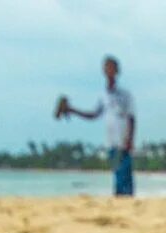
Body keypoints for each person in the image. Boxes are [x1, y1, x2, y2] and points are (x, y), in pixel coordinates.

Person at [57, 55, 136, 197]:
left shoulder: (125, 95)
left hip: (123, 141)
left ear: (117, 71)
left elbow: (131, 118)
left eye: (112, 68)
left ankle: (126, 200)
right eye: (107, 68)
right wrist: (72, 110)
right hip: (111, 140)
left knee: (124, 175)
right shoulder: (103, 96)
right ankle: (120, 200)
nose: (109, 71)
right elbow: (93, 114)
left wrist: (129, 139)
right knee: (117, 174)